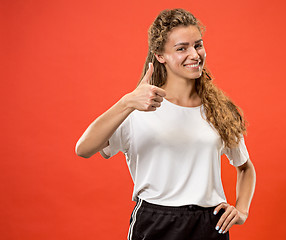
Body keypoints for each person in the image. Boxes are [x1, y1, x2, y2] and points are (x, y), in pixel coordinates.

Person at [76, 8, 256, 240]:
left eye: (197, 45)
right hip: (155, 223)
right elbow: (84, 149)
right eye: (181, 48)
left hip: (209, 225)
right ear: (160, 55)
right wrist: (127, 101)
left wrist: (241, 210)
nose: (194, 54)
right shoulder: (139, 107)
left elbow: (245, 167)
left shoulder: (219, 110)